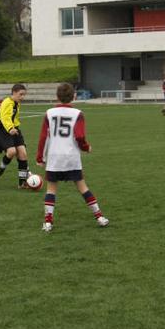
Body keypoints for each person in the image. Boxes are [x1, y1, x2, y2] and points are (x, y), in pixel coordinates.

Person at [36, 83, 110, 232]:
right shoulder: (78, 113)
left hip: (55, 158)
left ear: (57, 97)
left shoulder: (49, 113)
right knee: (82, 187)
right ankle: (99, 217)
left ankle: (48, 223)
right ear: (74, 96)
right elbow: (80, 136)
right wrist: (86, 147)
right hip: (71, 157)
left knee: (51, 189)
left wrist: (40, 158)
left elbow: (44, 137)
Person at [0, 84, 31, 188]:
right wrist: (10, 128)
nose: (22, 97)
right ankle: (1, 169)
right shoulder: (7, 103)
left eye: (24, 95)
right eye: (20, 94)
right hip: (4, 130)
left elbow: (14, 117)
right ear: (13, 93)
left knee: (23, 154)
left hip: (15, 129)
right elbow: (5, 118)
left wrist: (15, 128)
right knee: (12, 151)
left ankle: (22, 183)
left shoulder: (16, 103)